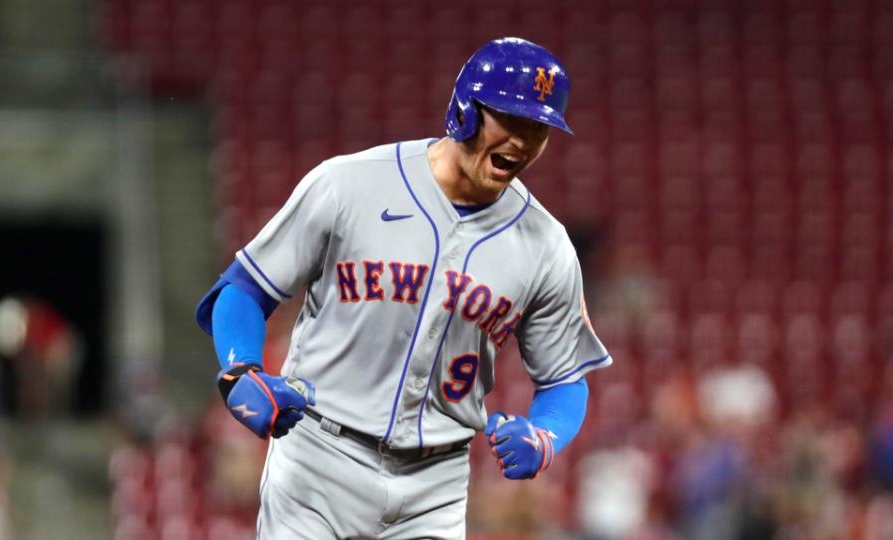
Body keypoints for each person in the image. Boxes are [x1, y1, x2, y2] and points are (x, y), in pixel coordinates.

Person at [196, 36, 611, 539]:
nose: (523, 142)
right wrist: (242, 368)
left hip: (434, 485)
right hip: (320, 460)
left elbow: (565, 378)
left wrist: (546, 436)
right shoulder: (350, 184)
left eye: (538, 129)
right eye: (511, 120)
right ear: (465, 110)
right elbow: (244, 288)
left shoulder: (546, 245)